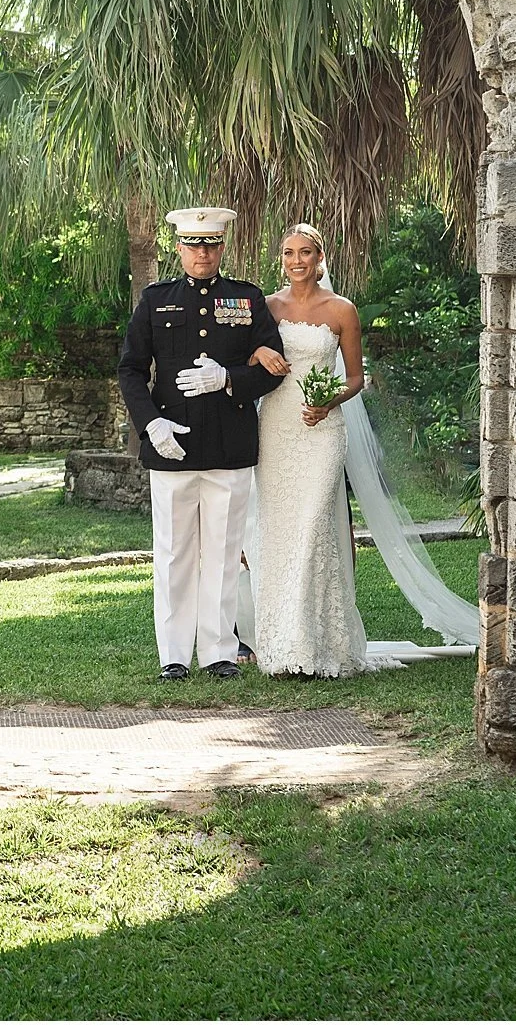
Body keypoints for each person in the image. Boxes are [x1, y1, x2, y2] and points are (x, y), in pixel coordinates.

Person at [117, 205, 287, 682]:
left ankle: (218, 652)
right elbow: (131, 369)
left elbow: (273, 370)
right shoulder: (156, 300)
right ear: (179, 249)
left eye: (211, 244)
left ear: (222, 248)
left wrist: (229, 379)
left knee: (222, 550)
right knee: (173, 552)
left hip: (229, 445)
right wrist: (152, 424)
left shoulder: (247, 299)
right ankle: (173, 654)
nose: (202, 253)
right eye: (194, 244)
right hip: (172, 444)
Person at [243, 223, 376, 678]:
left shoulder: (342, 310)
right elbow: (243, 356)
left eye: (305, 252)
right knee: (280, 530)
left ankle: (320, 644)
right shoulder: (265, 306)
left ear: (320, 258)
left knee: (315, 525)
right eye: (287, 253)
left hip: (322, 431)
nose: (296, 260)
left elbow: (356, 378)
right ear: (280, 258)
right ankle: (282, 644)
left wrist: (328, 400)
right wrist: (260, 353)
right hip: (277, 426)